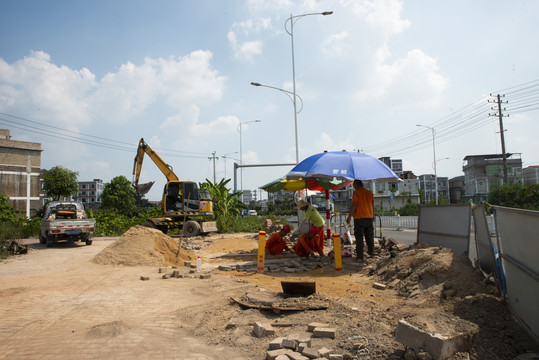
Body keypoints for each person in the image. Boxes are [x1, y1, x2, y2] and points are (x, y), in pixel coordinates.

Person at [346, 180, 374, 262]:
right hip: (369, 217)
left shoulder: (356, 193)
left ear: (357, 185)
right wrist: (373, 215)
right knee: (369, 237)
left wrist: (349, 217)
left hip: (359, 218)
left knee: (359, 238)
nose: (353, 187)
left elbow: (354, 205)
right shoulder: (369, 193)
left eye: (354, 185)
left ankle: (360, 257)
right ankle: (371, 253)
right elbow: (372, 205)